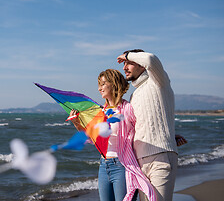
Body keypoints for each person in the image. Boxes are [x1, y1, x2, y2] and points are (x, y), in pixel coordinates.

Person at [69, 69, 156, 201]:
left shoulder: (127, 109)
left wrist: (169, 136)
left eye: (103, 84)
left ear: (114, 84)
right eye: (99, 84)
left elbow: (145, 128)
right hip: (103, 165)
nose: (99, 88)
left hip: (122, 166)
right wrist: (76, 123)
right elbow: (92, 139)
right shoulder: (101, 112)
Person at [117, 49, 179, 201]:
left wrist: (127, 55)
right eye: (124, 63)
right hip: (140, 162)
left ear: (142, 65)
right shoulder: (135, 94)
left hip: (160, 159)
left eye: (129, 63)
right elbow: (142, 124)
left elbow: (151, 59)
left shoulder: (158, 81)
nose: (124, 67)